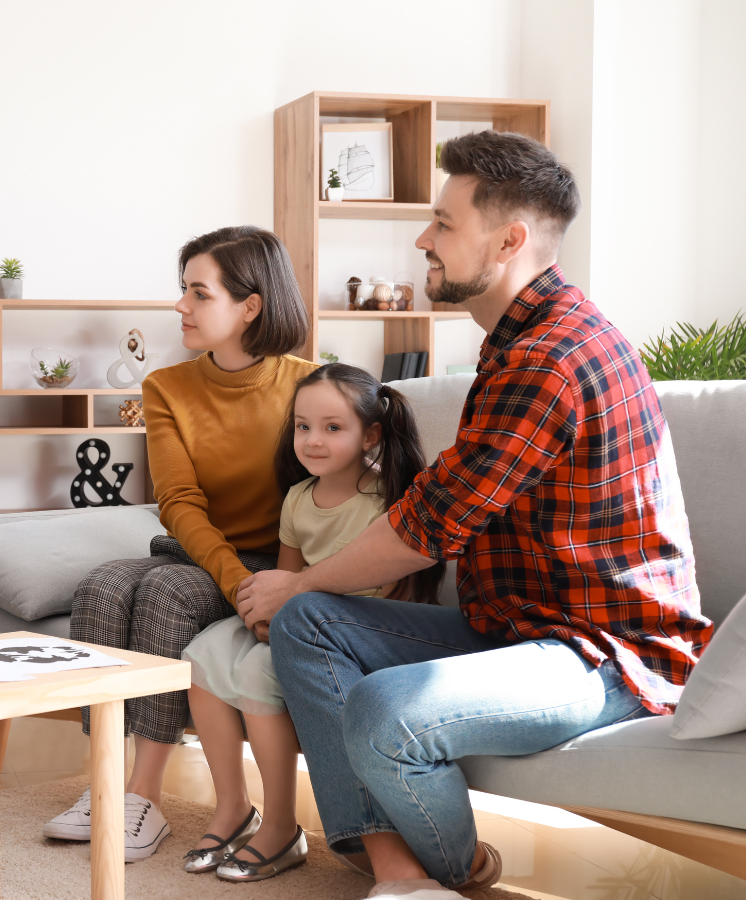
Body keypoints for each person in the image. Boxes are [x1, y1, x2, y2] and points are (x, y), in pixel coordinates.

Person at [238, 131, 714, 900]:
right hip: (518, 629)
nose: (422, 240)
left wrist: (294, 582)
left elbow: (428, 527)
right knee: (309, 624)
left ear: (509, 241)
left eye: (443, 223)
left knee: (383, 708)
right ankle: (400, 874)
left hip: (605, 654)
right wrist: (301, 595)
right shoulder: (512, 341)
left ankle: (451, 872)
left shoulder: (549, 358)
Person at [41, 226, 317, 860]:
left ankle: (143, 796)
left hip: (274, 561)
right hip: (203, 554)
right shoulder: (167, 386)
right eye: (183, 290)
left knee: (166, 592)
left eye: (199, 292)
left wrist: (265, 584)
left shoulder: (312, 385)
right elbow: (179, 502)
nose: (180, 305)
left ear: (250, 306)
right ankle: (108, 780)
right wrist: (234, 583)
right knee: (101, 586)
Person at [181, 363, 442, 883]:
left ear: (370, 435)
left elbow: (393, 600)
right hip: (298, 618)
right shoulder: (298, 499)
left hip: (354, 635)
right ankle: (233, 807)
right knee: (201, 657)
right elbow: (286, 581)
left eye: (332, 427)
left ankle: (281, 825)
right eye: (303, 426)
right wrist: (263, 616)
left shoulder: (387, 502)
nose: (313, 440)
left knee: (257, 673)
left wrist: (287, 621)